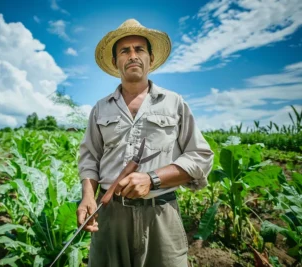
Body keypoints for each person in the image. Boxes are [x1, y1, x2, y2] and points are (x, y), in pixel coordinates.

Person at [77, 18, 214, 267]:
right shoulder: (100, 108)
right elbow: (89, 157)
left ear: (150, 58)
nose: (132, 55)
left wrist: (152, 179)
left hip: (160, 213)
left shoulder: (174, 103)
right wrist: (87, 195)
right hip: (110, 215)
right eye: (124, 51)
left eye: (139, 49)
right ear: (116, 61)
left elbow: (201, 156)